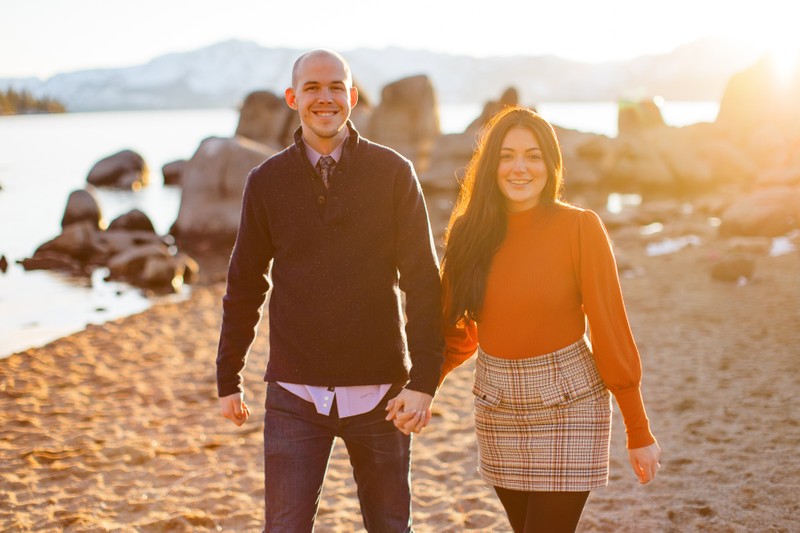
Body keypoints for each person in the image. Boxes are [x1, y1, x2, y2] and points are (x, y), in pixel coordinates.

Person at [215, 49, 444, 532]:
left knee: (389, 527)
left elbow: (423, 281)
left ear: (353, 97)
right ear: (293, 98)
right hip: (294, 397)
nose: (326, 97)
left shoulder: (393, 173)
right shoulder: (266, 181)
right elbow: (245, 284)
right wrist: (228, 375)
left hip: (383, 398)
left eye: (336, 86)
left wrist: (424, 381)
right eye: (313, 88)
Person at [429, 105, 660, 532]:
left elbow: (609, 328)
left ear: (551, 165)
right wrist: (423, 389)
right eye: (507, 155)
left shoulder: (580, 228)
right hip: (497, 406)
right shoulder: (467, 234)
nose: (520, 167)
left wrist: (638, 429)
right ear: (490, 165)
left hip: (570, 403)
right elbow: (455, 332)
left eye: (533, 156)